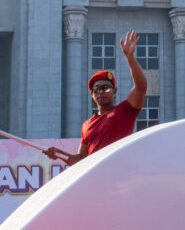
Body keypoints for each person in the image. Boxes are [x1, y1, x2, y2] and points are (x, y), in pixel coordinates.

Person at [46, 30, 147, 165]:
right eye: (97, 89)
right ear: (92, 94)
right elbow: (82, 160)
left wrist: (130, 57)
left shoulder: (125, 111)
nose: (101, 92)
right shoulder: (86, 125)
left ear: (114, 91)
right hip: (98, 178)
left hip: (121, 175)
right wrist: (58, 154)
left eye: (106, 87)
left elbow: (141, 87)